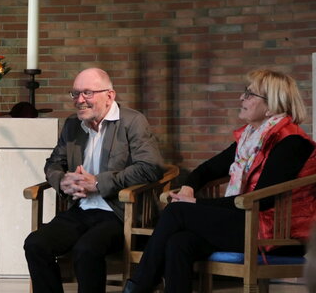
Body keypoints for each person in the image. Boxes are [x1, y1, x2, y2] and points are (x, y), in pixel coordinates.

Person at [124, 69, 316, 293]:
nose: (241, 98)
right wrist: (188, 188)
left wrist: (195, 204)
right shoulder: (251, 138)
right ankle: (142, 286)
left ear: (272, 105)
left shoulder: (291, 142)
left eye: (250, 95)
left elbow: (263, 200)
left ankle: (138, 286)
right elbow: (206, 170)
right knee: (180, 242)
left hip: (275, 233)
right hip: (247, 221)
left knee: (177, 212)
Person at [24, 67, 164, 293]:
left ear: (109, 95)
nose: (80, 100)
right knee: (35, 244)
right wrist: (62, 181)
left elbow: (151, 168)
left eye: (87, 93)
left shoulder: (132, 121)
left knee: (86, 250)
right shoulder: (72, 125)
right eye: (75, 94)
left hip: (119, 212)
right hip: (80, 209)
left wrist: (98, 183)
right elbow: (53, 163)